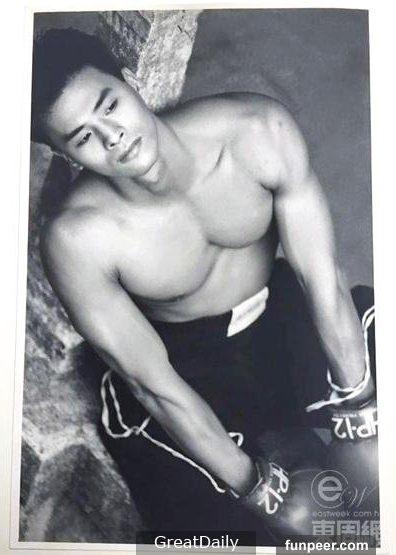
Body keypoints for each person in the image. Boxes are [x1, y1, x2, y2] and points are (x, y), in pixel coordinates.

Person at [31, 28, 377, 544]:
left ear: (130, 83)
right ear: (68, 155)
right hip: (190, 365)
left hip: (281, 314)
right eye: (82, 137)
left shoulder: (256, 131)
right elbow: (154, 384)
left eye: (110, 106)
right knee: (213, 533)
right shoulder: (76, 239)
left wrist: (360, 412)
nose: (113, 138)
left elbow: (321, 275)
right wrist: (263, 491)